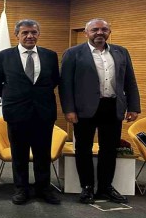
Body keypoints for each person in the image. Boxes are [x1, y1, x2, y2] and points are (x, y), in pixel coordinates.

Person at [59, 18, 141, 204]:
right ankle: (87, 187)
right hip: (84, 109)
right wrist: (69, 109)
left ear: (109, 32)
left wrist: (134, 107)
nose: (99, 33)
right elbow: (65, 85)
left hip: (112, 106)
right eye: (95, 29)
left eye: (104, 29)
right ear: (86, 33)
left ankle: (105, 187)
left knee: (109, 149)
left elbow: (130, 81)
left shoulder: (121, 52)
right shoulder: (73, 53)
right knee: (83, 148)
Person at [0, 19, 61, 205]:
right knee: (19, 153)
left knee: (42, 153)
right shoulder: (3, 56)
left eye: (34, 32)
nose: (30, 36)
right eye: (25, 33)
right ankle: (21, 188)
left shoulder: (50, 56)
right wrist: (13, 96)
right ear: (17, 35)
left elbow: (54, 80)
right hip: (17, 112)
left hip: (43, 112)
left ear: (38, 34)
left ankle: (43, 188)